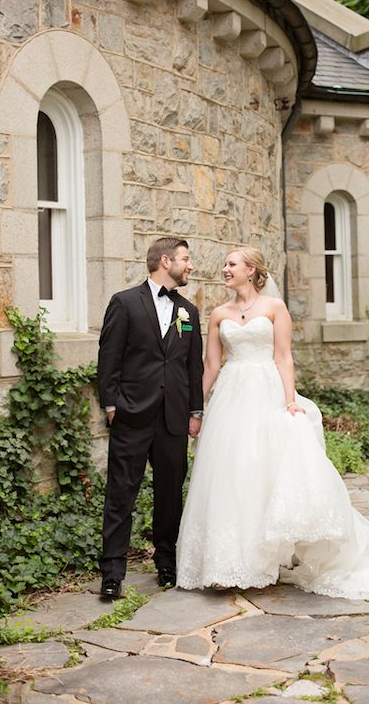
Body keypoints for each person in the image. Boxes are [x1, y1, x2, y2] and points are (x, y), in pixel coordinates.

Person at [176, 247, 369, 600]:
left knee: (260, 472)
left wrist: (290, 401)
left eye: (231, 264)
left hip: (265, 393)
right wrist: (196, 408)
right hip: (230, 399)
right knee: (228, 473)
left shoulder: (275, 309)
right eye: (225, 264)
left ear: (251, 270)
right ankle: (225, 562)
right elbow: (211, 366)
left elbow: (283, 356)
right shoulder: (219, 313)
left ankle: (263, 559)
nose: (224, 269)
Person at [98, 237, 203, 597]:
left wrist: (195, 410)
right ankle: (112, 572)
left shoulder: (189, 310)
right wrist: (111, 406)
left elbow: (193, 367)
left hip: (173, 418)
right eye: (185, 259)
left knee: (170, 494)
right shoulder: (124, 303)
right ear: (165, 261)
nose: (190, 265)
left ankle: (167, 562)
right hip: (132, 414)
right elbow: (108, 358)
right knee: (120, 493)